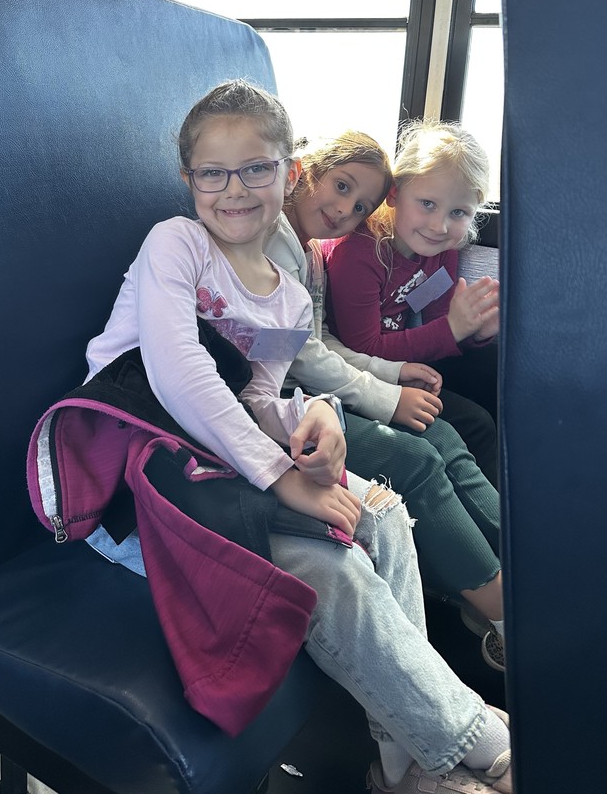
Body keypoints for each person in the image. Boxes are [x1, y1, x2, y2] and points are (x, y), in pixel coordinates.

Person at [84, 81, 513, 794]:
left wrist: (310, 419)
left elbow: (255, 397)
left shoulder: (285, 293)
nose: (235, 189)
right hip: (136, 481)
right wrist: (284, 477)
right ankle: (469, 740)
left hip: (221, 472)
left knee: (384, 513)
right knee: (331, 573)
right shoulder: (178, 244)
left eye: (257, 168)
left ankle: (404, 762)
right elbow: (179, 373)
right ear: (189, 179)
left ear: (289, 171)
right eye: (212, 172)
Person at [264, 130, 505, 669]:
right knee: (416, 456)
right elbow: (293, 356)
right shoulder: (292, 248)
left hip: (315, 384)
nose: (344, 210)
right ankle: (501, 609)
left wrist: (396, 376)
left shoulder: (308, 257)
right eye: (340, 187)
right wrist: (385, 392)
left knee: (446, 430)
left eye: (360, 205)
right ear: (302, 171)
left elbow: (320, 345)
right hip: (282, 399)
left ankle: (508, 563)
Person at [323, 119, 500, 436]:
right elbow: (362, 348)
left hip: (403, 360)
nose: (439, 226)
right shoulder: (359, 253)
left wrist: (474, 331)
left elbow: (439, 324)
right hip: (356, 372)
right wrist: (452, 329)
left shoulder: (442, 249)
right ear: (394, 193)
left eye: (458, 212)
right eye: (427, 204)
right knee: (478, 426)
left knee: (495, 374)